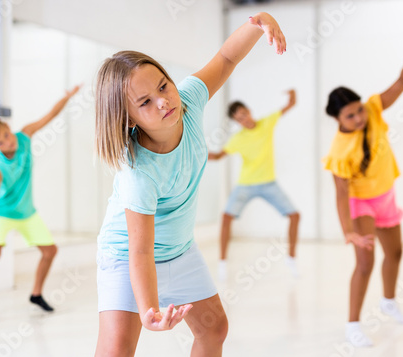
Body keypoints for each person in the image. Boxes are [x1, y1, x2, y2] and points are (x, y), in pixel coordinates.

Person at [94, 12, 286, 357]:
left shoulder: (189, 101)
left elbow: (226, 58)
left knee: (214, 328)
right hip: (126, 258)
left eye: (163, 86)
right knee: (117, 351)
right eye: (145, 102)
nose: (164, 101)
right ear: (128, 119)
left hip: (179, 250)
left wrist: (259, 23)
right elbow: (140, 251)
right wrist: (149, 310)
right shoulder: (138, 172)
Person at [323, 59, 403, 347]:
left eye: (358, 111)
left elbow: (399, 85)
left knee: (395, 253)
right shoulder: (339, 151)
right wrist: (348, 231)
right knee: (365, 262)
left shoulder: (373, 109)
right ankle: (352, 325)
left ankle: (389, 302)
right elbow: (341, 195)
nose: (359, 118)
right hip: (361, 204)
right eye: (350, 116)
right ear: (337, 119)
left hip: (386, 196)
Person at [0, 85, 81, 325]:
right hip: (4, 213)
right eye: (0, 143)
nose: (8, 143)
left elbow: (50, 116)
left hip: (27, 213)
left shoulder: (25, 135)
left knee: (50, 251)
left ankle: (36, 294)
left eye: (6, 136)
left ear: (8, 128)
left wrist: (67, 97)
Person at [208, 90, 300, 279]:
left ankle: (291, 259)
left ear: (249, 111)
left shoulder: (267, 122)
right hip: (246, 185)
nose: (244, 119)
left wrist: (292, 93)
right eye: (239, 119)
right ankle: (223, 263)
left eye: (244, 114)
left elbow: (290, 105)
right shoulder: (237, 139)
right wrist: (200, 153)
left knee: (294, 215)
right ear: (237, 122)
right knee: (226, 217)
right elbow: (218, 156)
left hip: (268, 183)